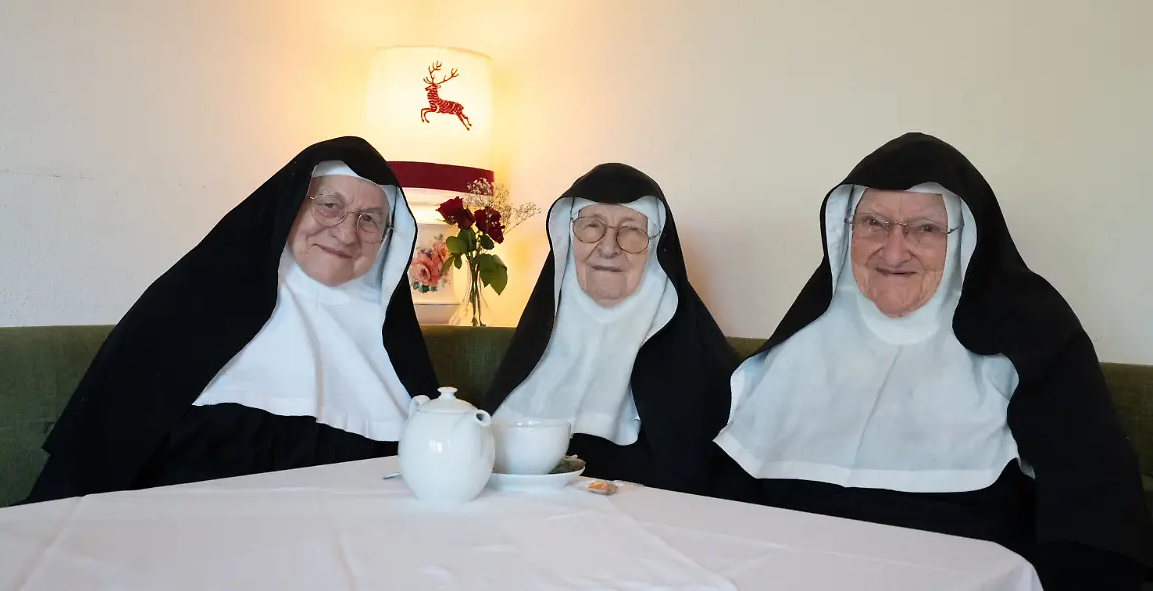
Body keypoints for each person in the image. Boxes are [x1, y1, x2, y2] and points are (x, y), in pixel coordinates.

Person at [713, 132, 1152, 589]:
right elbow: (726, 508)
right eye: (874, 224)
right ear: (845, 234)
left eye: (925, 229)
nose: (894, 250)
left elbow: (1094, 523)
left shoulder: (1033, 338)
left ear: (965, 240)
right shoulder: (798, 348)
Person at [26, 136, 438, 501]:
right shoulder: (195, 302)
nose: (347, 233)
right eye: (330, 205)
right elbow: (100, 453)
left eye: (370, 220)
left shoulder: (394, 347)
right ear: (292, 203)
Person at [484, 163, 737, 493]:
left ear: (656, 245)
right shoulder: (537, 340)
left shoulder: (697, 357)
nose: (608, 247)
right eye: (591, 226)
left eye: (631, 230)